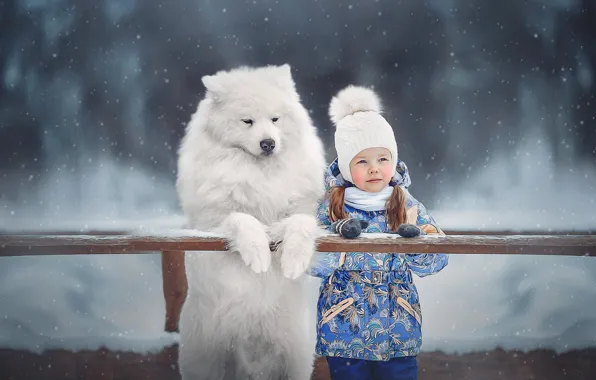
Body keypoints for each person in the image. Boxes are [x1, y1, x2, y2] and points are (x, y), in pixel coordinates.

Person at [307, 85, 449, 380]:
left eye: (382, 159)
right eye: (362, 161)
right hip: (345, 331)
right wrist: (338, 244)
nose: (374, 169)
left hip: (398, 330)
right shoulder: (331, 208)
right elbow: (310, 263)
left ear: (394, 160)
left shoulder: (406, 205)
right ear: (346, 168)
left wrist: (414, 243)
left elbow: (437, 261)